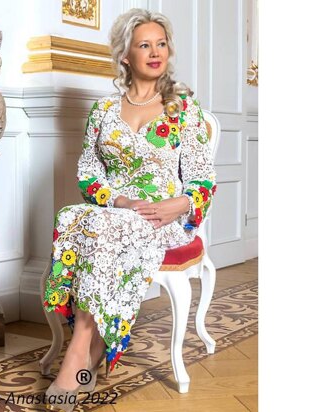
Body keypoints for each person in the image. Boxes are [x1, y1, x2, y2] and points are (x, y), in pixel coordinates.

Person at [43, 7, 217, 411]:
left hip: (163, 217)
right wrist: (118, 200)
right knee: (72, 216)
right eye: (144, 45)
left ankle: (78, 355)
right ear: (125, 55)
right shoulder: (103, 111)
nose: (156, 52)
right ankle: (92, 346)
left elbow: (203, 179)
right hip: (116, 211)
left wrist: (180, 204)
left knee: (101, 229)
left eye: (161, 44)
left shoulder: (183, 109)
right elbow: (87, 171)